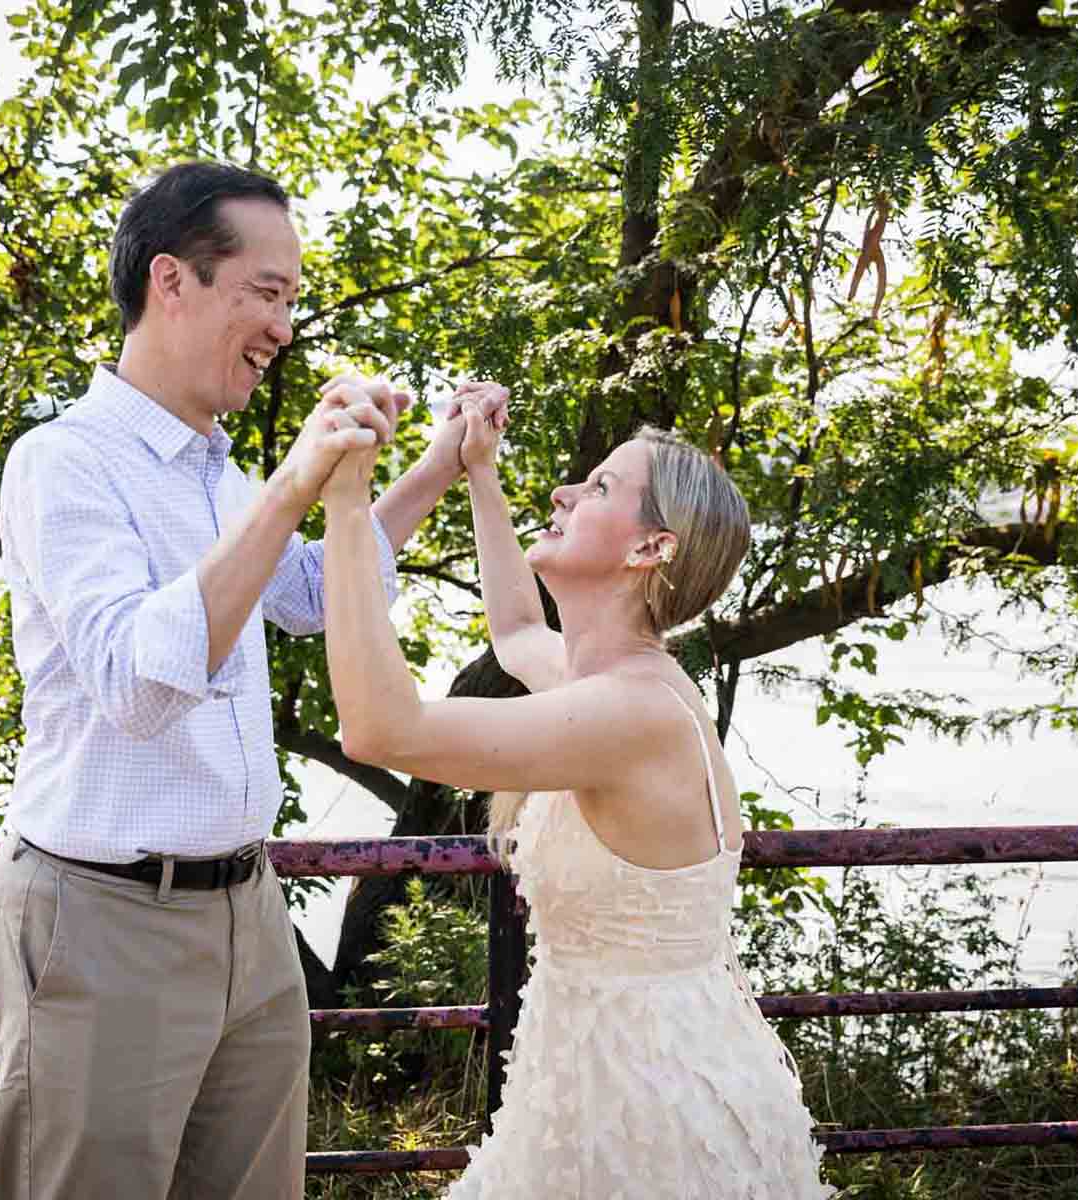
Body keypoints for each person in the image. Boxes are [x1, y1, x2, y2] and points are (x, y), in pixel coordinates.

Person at [0, 162, 505, 1200]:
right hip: (104, 916)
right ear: (170, 281)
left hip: (249, 912)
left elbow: (311, 592)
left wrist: (441, 461)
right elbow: (137, 685)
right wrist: (294, 481)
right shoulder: (63, 462)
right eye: (265, 293)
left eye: (293, 299)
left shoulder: (212, 470)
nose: (284, 326)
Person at [319, 381, 831, 1198]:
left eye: (599, 488)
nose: (562, 492)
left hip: (658, 1115)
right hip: (579, 1093)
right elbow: (519, 632)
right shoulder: (607, 682)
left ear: (650, 549)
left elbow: (380, 729)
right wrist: (479, 474)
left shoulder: (631, 714)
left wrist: (348, 510)